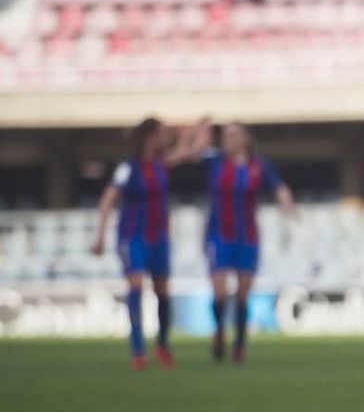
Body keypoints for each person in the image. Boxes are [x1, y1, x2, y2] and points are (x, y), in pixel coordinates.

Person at [91, 117, 211, 370]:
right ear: (150, 137)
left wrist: (198, 130)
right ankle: (137, 350)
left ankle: (162, 345)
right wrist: (100, 235)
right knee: (136, 286)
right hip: (133, 237)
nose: (165, 139)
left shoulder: (161, 164)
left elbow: (190, 151)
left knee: (162, 291)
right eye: (161, 134)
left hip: (159, 238)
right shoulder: (129, 167)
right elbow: (108, 199)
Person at [204, 121, 295, 364]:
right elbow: (189, 154)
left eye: (233, 135)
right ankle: (219, 330)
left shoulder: (258, 166)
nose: (228, 139)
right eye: (226, 135)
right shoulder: (215, 162)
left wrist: (287, 205)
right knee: (220, 292)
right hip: (218, 235)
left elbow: (279, 188)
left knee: (243, 294)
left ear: (245, 139)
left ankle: (240, 343)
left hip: (247, 237)